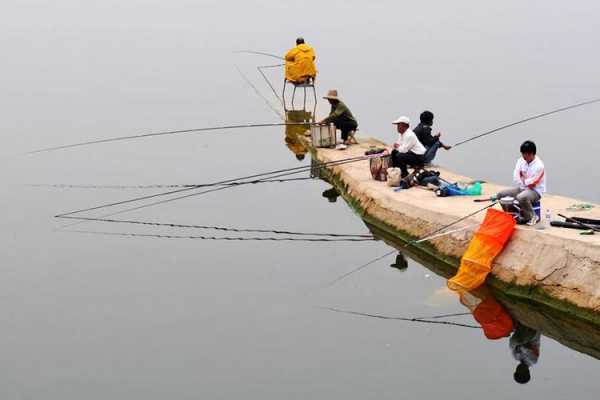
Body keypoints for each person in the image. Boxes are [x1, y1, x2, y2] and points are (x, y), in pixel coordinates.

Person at [495, 140, 546, 225]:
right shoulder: (521, 160)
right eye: (522, 154)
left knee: (521, 197)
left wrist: (524, 179)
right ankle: (513, 216)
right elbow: (516, 177)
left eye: (525, 154)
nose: (523, 156)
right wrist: (524, 180)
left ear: (531, 153)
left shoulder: (539, 166)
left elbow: (532, 183)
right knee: (500, 195)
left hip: (535, 191)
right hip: (522, 188)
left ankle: (532, 216)